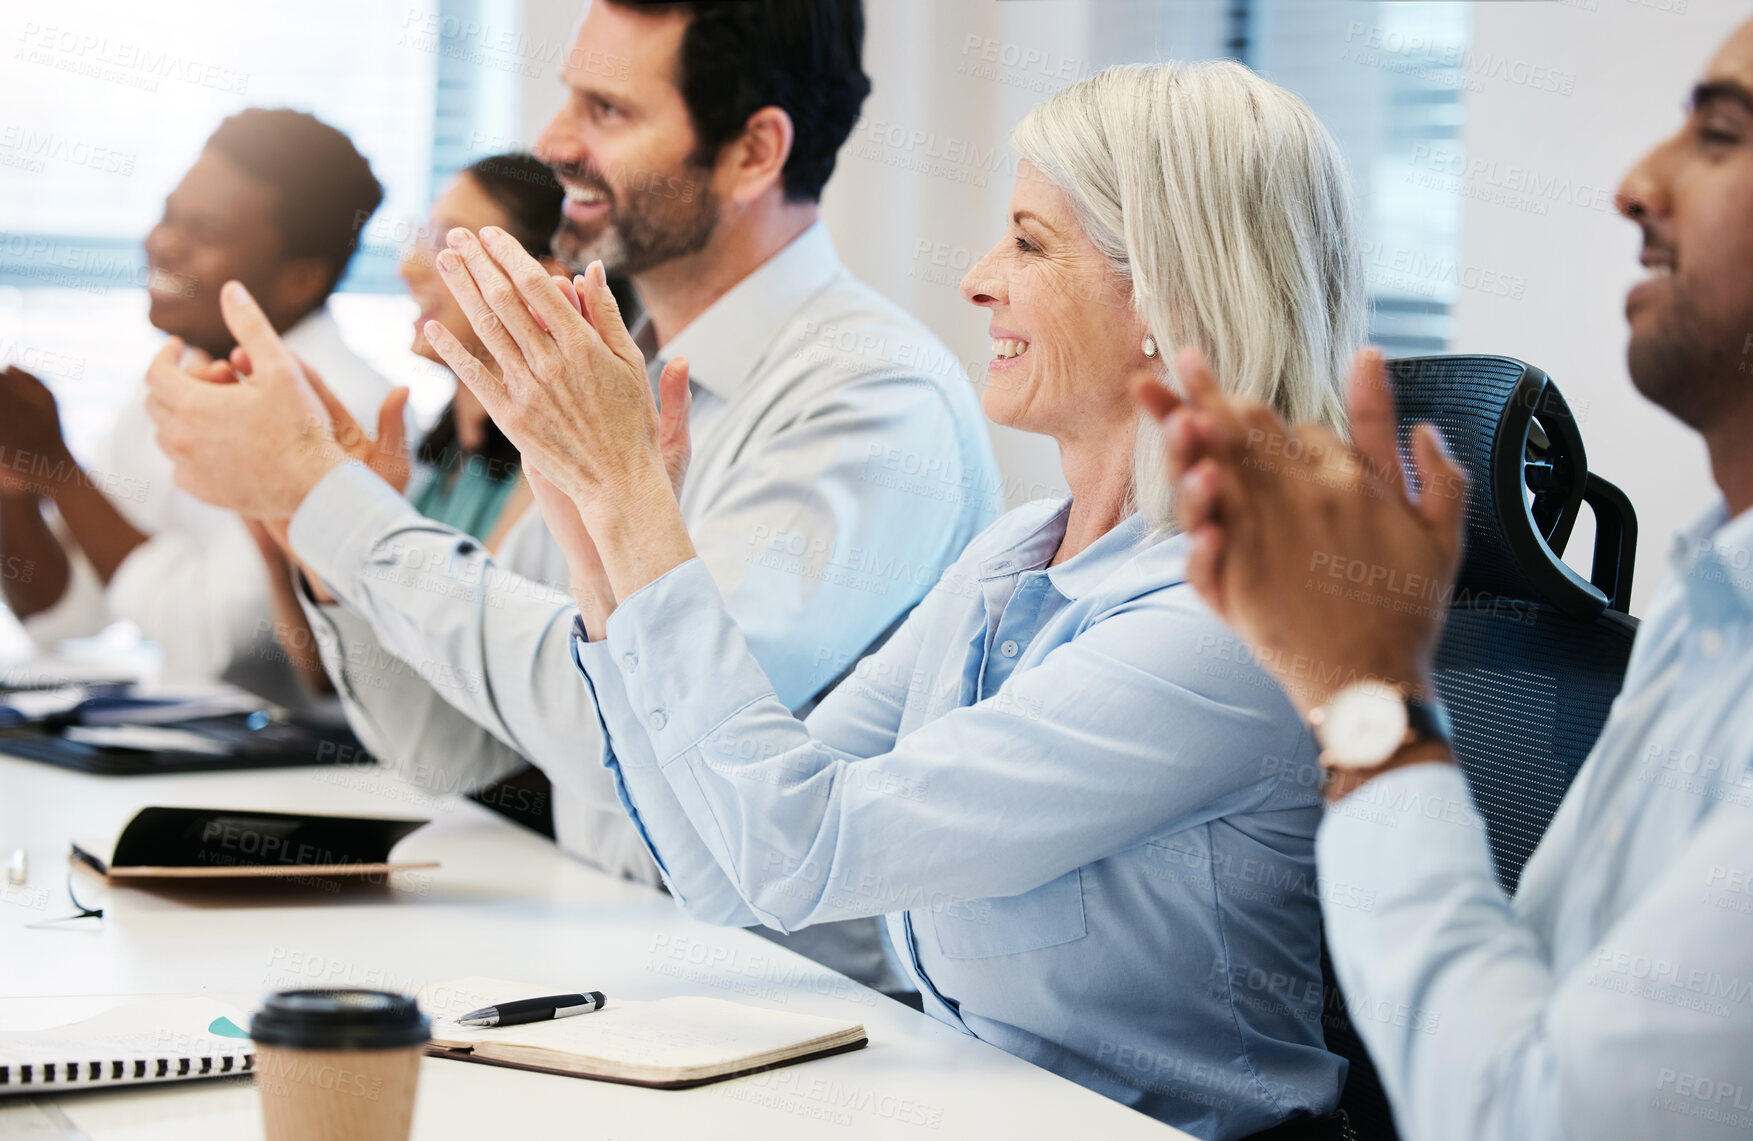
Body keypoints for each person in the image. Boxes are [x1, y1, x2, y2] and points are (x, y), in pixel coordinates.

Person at [323, 59, 1359, 1138]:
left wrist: (634, 504)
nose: (976, 279)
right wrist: (597, 538)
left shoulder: (1228, 623)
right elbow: (734, 869)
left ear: (1170, 292)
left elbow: (803, 849)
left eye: (1029, 241)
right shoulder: (1020, 554)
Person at [141, 0, 999, 995]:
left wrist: (330, 501)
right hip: (615, 961)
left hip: (795, 1018)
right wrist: (313, 528)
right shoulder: (614, 367)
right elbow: (461, 747)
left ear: (755, 151)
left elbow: (631, 736)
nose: (552, 144)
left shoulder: (871, 403)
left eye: (607, 111)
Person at [1132, 19, 1753, 1141]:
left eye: (1719, 135)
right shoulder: (1710, 611)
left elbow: (1526, 1121)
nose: (1634, 184)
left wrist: (1372, 697)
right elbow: (1532, 1017)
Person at [0, 108, 391, 706]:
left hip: (298, 766)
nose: (163, 244)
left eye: (204, 233)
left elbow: (215, 644)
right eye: (167, 216)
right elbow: (68, 616)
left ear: (300, 279)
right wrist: (20, 481)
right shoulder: (182, 370)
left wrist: (62, 470)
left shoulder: (341, 407)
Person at [250, 153, 563, 694]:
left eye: (449, 244)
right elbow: (333, 677)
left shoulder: (555, 478)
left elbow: (463, 674)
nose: (410, 267)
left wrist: (361, 535)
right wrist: (285, 537)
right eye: (423, 239)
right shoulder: (435, 461)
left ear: (544, 280)